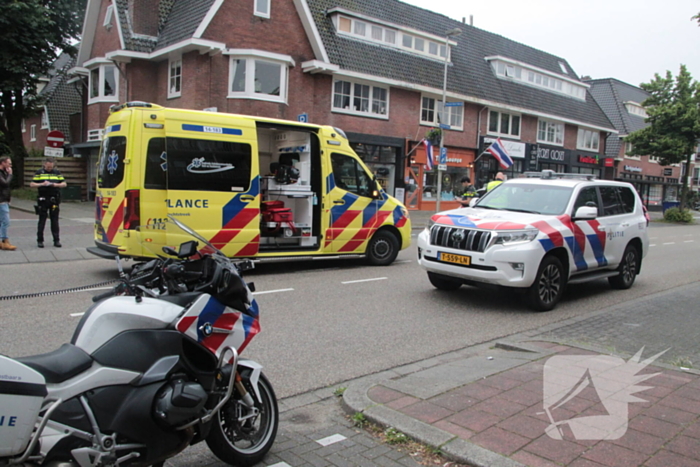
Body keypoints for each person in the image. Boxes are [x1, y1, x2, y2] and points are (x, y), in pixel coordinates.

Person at [30, 157, 67, 248]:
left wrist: (55, 185)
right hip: (43, 199)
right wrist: (42, 184)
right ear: (44, 164)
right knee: (42, 220)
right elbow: (32, 184)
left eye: (51, 167)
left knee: (55, 221)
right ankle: (40, 240)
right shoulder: (39, 172)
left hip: (54, 199)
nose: (49, 168)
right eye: (48, 167)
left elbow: (64, 184)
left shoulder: (57, 173)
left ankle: (56, 240)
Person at [0, 156, 17, 251]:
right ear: (3, 163)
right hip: (1, 201)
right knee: (6, 221)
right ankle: (5, 241)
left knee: (1, 221)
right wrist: (10, 174)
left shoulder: (3, 173)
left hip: (4, 200)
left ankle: (1, 241)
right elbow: (5, 184)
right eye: (9, 163)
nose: (10, 165)